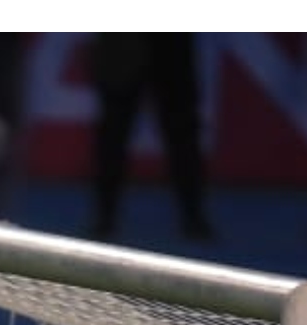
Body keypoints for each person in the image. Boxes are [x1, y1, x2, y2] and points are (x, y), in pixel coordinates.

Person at [86, 35, 215, 242]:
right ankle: (104, 218)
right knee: (113, 134)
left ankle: (194, 217)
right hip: (121, 46)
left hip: (172, 47)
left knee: (182, 132)